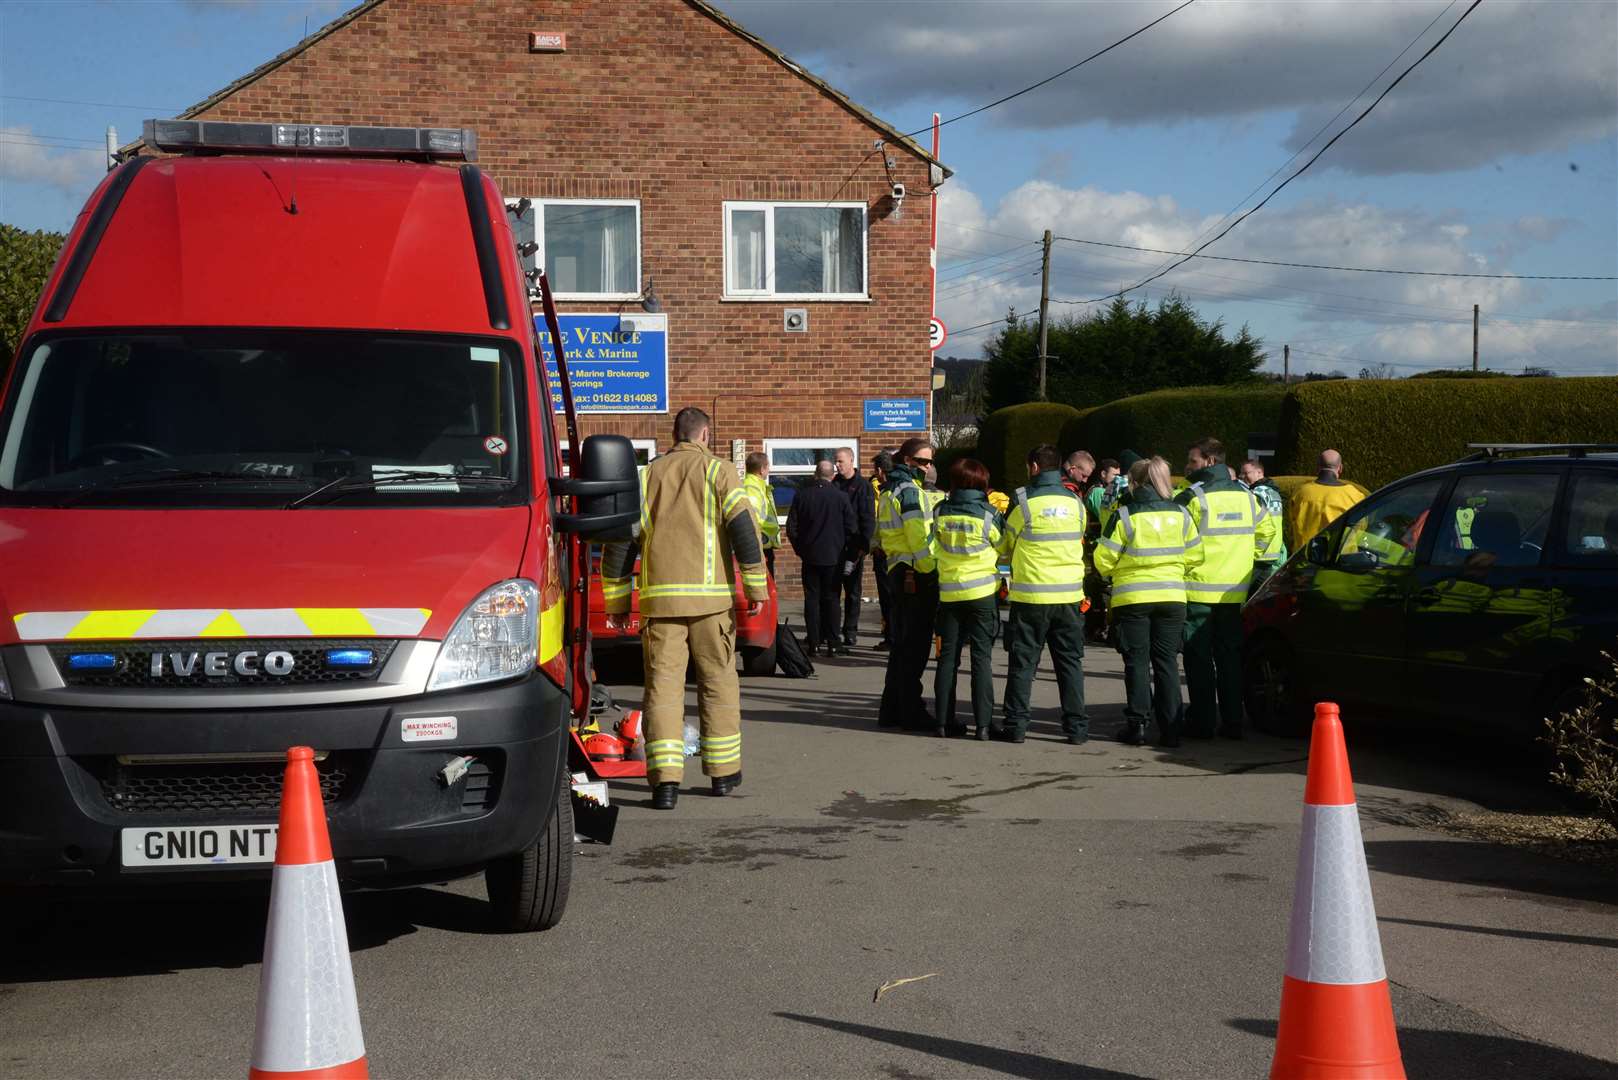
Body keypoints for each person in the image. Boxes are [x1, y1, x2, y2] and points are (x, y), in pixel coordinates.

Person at [602, 407, 768, 809]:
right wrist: (755, 586)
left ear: (674, 435)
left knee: (662, 691)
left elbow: (621, 540)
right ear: (705, 434)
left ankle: (665, 784)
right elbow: (744, 529)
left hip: (660, 604)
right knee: (718, 684)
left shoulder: (646, 477)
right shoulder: (720, 472)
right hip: (712, 605)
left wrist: (618, 600)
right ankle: (723, 775)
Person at [1093, 456, 1203, 748]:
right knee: (1166, 662)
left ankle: (1138, 725)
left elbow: (1103, 560)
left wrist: (1117, 572)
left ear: (1134, 482)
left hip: (1133, 598)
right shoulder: (1181, 513)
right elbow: (1195, 556)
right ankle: (1171, 729)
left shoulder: (1125, 514)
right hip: (1172, 597)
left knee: (1137, 662)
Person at [1177, 438, 1279, 740]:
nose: (1187, 466)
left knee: (1198, 659)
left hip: (1197, 592)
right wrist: (1251, 567)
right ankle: (1233, 721)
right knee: (1230, 658)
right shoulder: (1249, 498)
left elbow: (1179, 544)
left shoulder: (1192, 498)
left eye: (1192, 461)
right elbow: (1268, 536)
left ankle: (1203, 721)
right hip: (1234, 593)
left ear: (1210, 461)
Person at [997, 443, 1090, 744]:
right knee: (1070, 665)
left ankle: (1016, 727)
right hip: (1069, 597)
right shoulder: (1076, 502)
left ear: (1034, 467)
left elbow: (1004, 543)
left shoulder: (1022, 499)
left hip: (1031, 597)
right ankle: (1076, 729)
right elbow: (1080, 537)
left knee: (1023, 664)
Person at [931, 457, 1004, 739]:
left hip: (949, 593)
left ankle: (942, 722)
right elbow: (1004, 544)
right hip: (982, 593)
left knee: (947, 658)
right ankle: (984, 725)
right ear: (980, 483)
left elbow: (932, 545)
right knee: (981, 659)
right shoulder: (989, 514)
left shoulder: (939, 511)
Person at [876, 437, 939, 731]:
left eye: (930, 461)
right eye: (923, 461)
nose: (928, 467)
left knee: (901, 649)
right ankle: (912, 713)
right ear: (907, 461)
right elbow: (917, 537)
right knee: (914, 649)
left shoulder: (891, 488)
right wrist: (931, 570)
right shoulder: (909, 491)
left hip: (898, 571)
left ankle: (891, 710)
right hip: (915, 574)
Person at [787, 459, 856, 658]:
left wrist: (801, 549)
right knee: (832, 599)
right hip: (834, 557)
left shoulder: (802, 496)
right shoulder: (841, 497)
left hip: (810, 556)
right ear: (832, 475)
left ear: (816, 474)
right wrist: (846, 551)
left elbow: (792, 528)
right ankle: (833, 643)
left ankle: (814, 643)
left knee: (812, 599)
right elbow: (851, 528)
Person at [832, 446, 877, 648]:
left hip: (853, 547)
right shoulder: (834, 485)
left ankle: (850, 631)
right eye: (836, 461)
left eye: (841, 461)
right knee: (832, 591)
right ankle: (831, 630)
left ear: (852, 460)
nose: (837, 465)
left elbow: (867, 518)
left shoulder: (862, 486)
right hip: (834, 546)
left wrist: (862, 547)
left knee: (852, 592)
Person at [1287, 449, 1362, 551]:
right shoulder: (1354, 494)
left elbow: (1291, 524)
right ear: (1340, 468)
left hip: (1305, 557)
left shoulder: (1301, 493)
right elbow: (1361, 527)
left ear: (1318, 467)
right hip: (1340, 559)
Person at [1239, 457, 1288, 589]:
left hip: (1259, 553)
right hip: (1273, 553)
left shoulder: (1256, 493)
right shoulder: (1273, 491)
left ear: (1259, 473)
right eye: (1241, 473)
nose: (1242, 476)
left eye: (1246, 473)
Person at [869, 451, 897, 649]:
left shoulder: (887, 492)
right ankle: (894, 637)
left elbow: (880, 526)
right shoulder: (905, 489)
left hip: (887, 554)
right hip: (899, 555)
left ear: (880, 470)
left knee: (889, 600)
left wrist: (875, 546)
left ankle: (892, 638)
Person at [743, 451, 780, 576]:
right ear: (762, 469)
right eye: (768, 466)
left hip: (763, 545)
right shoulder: (752, 488)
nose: (769, 469)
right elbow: (752, 520)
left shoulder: (757, 486)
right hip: (759, 546)